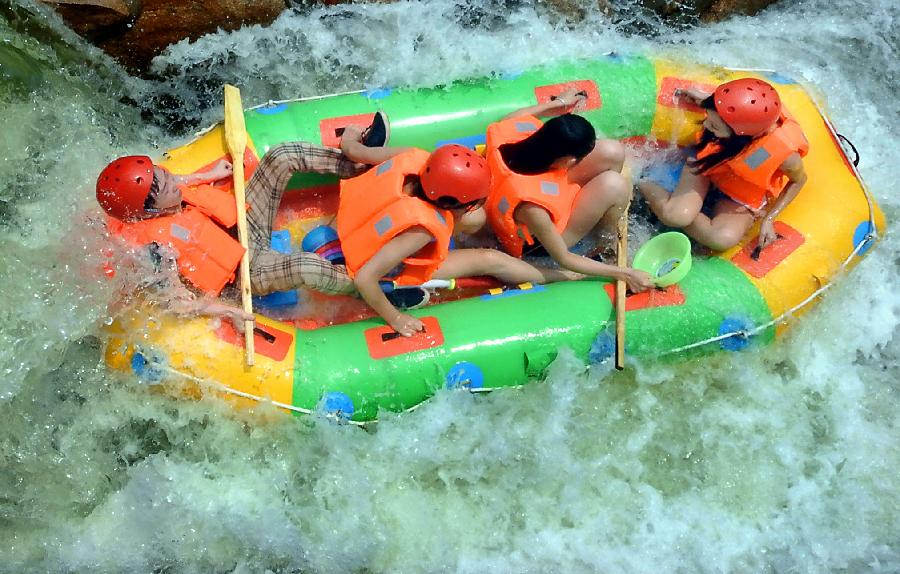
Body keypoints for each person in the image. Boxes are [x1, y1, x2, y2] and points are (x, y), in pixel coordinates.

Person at [95, 114, 402, 327]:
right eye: (163, 185)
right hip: (245, 272)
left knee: (282, 155)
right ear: (147, 212)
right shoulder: (156, 250)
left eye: (162, 173)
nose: (171, 180)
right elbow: (179, 303)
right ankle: (373, 290)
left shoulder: (162, 191)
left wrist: (210, 175)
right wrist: (228, 312)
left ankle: (361, 165)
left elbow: (177, 179)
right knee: (306, 266)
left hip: (243, 223)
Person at [337, 129, 579, 337]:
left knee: (477, 219)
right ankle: (565, 276)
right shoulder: (421, 229)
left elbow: (355, 151)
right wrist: (396, 319)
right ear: (451, 204)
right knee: (491, 260)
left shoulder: (413, 156)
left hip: (350, 220)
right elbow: (365, 278)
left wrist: (349, 137)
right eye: (471, 202)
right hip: (373, 259)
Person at [482, 87, 654, 293]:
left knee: (612, 151)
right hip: (540, 242)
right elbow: (563, 257)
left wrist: (558, 104)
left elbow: (516, 116)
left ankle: (605, 212)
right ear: (568, 161)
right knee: (614, 185)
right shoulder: (531, 207)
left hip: (539, 180)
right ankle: (604, 244)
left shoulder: (507, 132)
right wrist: (624, 273)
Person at [637, 78, 809, 251]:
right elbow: (735, 108)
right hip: (708, 165)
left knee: (722, 239)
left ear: (741, 137)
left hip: (740, 191)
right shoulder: (733, 123)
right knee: (676, 216)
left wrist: (769, 219)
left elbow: (799, 180)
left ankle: (674, 204)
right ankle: (639, 181)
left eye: (714, 126)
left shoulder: (783, 154)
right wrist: (706, 99)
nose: (705, 125)